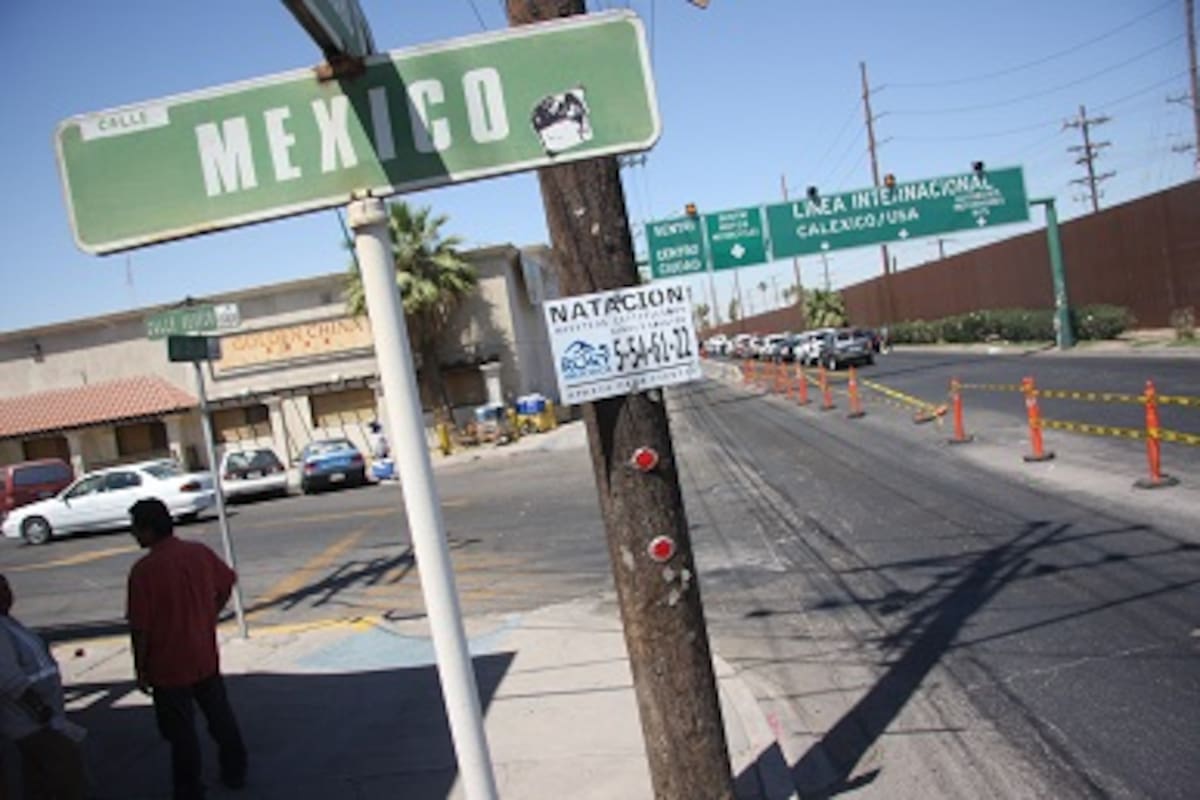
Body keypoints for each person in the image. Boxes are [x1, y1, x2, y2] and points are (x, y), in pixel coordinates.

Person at [126, 499, 247, 800]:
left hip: (168, 665)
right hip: (203, 655)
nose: (134, 535)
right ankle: (235, 770)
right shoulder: (198, 553)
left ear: (149, 530)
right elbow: (227, 581)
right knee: (220, 717)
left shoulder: (144, 572)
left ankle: (189, 788)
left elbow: (140, 628)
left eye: (136, 529)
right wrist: (210, 614)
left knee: (180, 734)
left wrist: (140, 669)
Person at [0, 574, 87, 799]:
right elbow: (10, 681)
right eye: (1, 590)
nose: (7, 595)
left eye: (7, 588)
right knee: (65, 777)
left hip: (44, 719)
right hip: (33, 724)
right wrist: (42, 712)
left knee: (40, 782)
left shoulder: (9, 623)